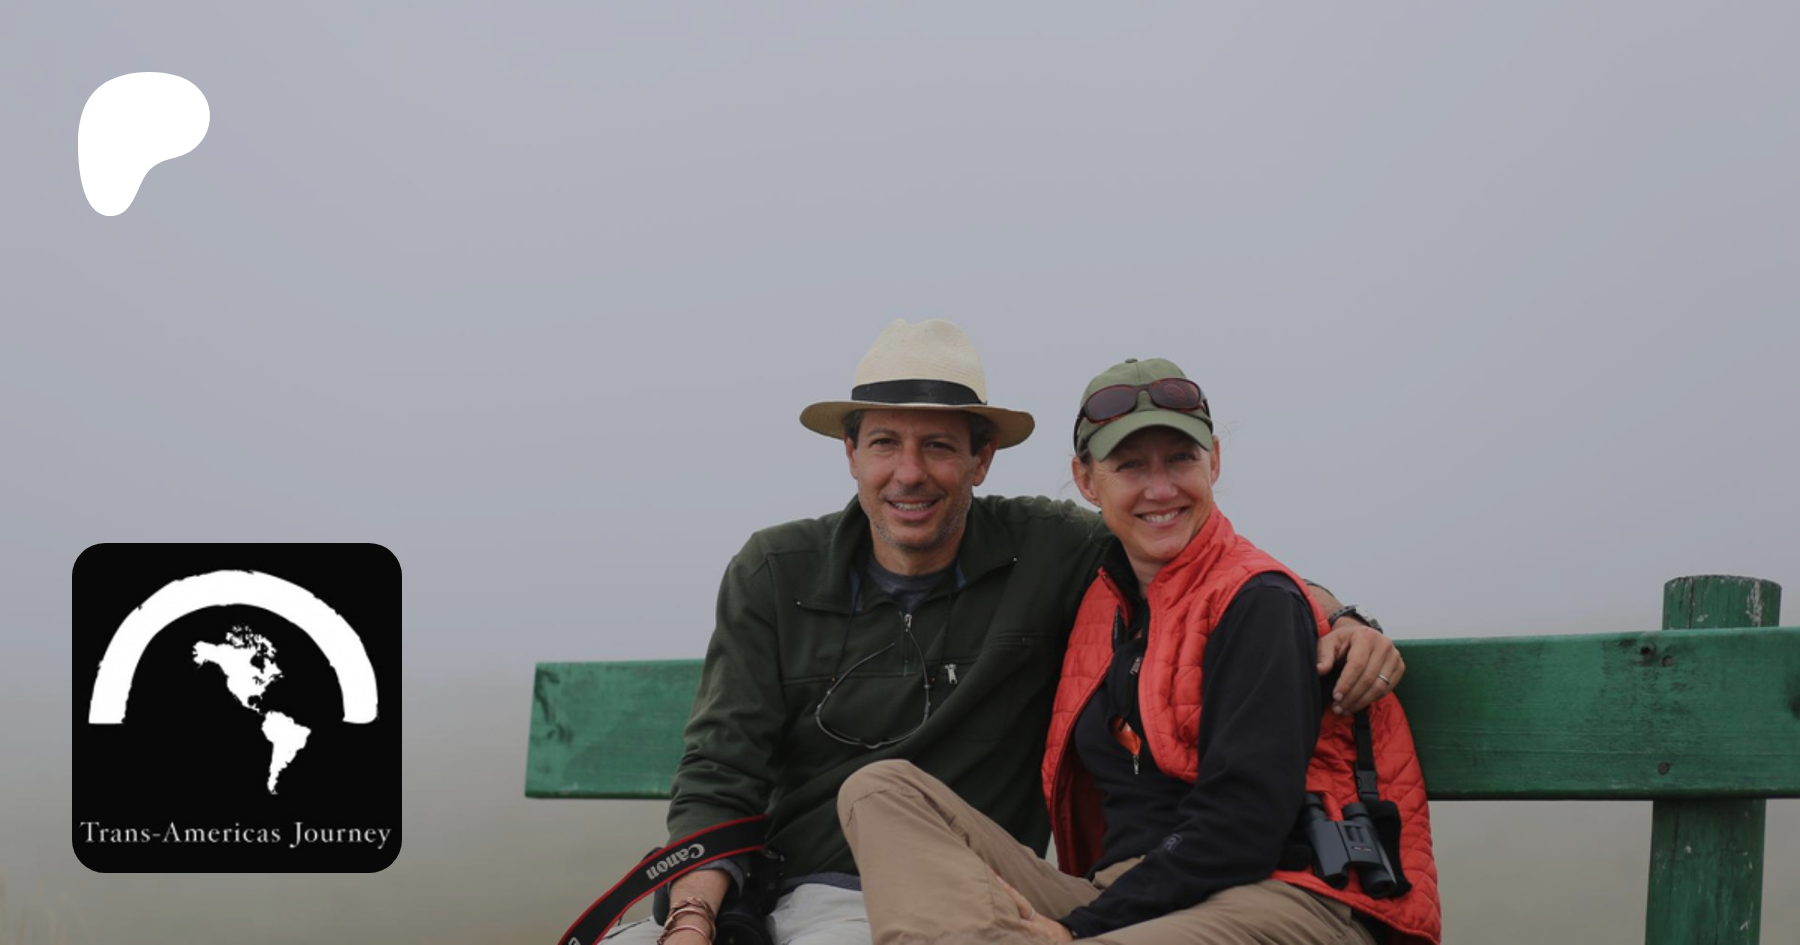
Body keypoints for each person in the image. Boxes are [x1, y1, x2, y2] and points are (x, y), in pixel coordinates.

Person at [618, 322, 1407, 945]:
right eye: (885, 441)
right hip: (783, 887)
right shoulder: (774, 569)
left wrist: (1332, 614)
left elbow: (1218, 571)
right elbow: (720, 767)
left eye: (939, 444)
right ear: (850, 452)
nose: (909, 472)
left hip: (968, 894)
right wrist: (691, 918)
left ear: (982, 458)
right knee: (873, 785)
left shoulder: (1051, 551)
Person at [837, 356, 1440, 945]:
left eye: (1181, 458)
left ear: (1214, 461)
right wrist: (1088, 917)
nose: (1160, 488)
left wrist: (1077, 929)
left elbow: (1245, 823)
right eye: (1129, 465)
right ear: (1086, 481)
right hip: (1125, 892)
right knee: (879, 790)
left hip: (1276, 891)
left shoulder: (1260, 602)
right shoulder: (1100, 594)